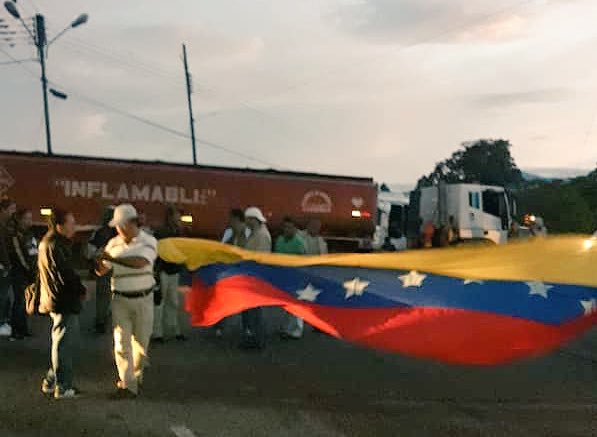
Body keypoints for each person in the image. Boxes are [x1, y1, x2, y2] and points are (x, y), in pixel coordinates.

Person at [97, 204, 158, 398]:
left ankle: (136, 377)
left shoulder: (148, 241)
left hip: (143, 298)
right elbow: (102, 270)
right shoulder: (113, 243)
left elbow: (141, 263)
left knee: (141, 345)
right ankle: (127, 384)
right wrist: (98, 260)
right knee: (121, 344)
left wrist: (112, 259)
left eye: (120, 225)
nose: (118, 229)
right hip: (120, 299)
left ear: (131, 223)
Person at [39, 209, 87, 399]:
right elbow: (64, 274)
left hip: (55, 298)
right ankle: (63, 386)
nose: (74, 227)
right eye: (71, 223)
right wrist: (80, 290)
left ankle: (51, 381)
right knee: (64, 344)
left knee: (63, 342)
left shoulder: (48, 242)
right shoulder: (56, 245)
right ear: (60, 226)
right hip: (62, 300)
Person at [153, 206, 186, 343]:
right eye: (177, 215)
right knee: (164, 302)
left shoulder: (170, 231)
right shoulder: (169, 232)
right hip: (166, 270)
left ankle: (163, 332)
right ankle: (165, 331)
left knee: (167, 301)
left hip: (169, 270)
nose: (178, 218)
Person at [214, 209, 249, 338]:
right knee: (222, 299)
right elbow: (222, 249)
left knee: (246, 302)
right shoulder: (229, 232)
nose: (230, 222)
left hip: (244, 273)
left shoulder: (248, 233)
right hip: (229, 271)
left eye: (232, 220)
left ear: (238, 220)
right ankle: (219, 326)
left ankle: (248, 328)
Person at [240, 207, 271, 349]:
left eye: (247, 219)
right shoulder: (256, 233)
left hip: (255, 277)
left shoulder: (261, 235)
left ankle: (256, 339)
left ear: (253, 219)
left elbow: (260, 258)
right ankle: (252, 337)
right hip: (252, 276)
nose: (246, 222)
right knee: (252, 310)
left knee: (255, 311)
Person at [275, 217, 307, 339]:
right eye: (285, 227)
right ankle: (287, 328)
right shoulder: (280, 240)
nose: (287, 229)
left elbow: (303, 260)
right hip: (284, 275)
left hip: (296, 276)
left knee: (297, 304)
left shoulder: (299, 242)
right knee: (285, 304)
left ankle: (296, 330)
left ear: (295, 228)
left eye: (289, 227)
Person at [8, 209, 37, 340]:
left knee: (27, 301)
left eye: (30, 218)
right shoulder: (16, 235)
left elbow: (34, 252)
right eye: (26, 218)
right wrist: (28, 269)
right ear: (19, 219)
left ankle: (24, 328)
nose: (29, 221)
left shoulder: (30, 234)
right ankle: (16, 330)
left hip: (30, 271)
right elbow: (19, 255)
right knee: (19, 301)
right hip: (20, 272)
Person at [87, 206, 116, 334]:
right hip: (116, 268)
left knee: (102, 296)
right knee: (114, 296)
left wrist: (97, 259)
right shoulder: (120, 232)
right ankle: (108, 319)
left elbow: (90, 250)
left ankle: (101, 321)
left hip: (103, 267)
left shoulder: (99, 232)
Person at [0, 199, 16, 337]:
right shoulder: (2, 226)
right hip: (2, 267)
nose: (13, 212)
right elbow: (2, 248)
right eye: (11, 209)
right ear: (3, 210)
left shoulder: (6, 225)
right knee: (3, 295)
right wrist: (7, 264)